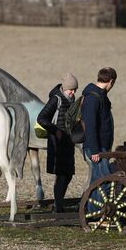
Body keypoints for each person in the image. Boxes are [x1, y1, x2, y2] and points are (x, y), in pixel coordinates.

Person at [37, 73, 78, 213]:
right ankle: (58, 206)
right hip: (57, 144)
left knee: (69, 174)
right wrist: (56, 131)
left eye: (75, 90)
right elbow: (41, 118)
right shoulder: (56, 99)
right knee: (61, 175)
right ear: (64, 88)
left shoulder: (72, 99)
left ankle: (58, 204)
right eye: (71, 89)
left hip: (68, 143)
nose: (73, 92)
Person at [81, 67, 117, 188]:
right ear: (111, 81)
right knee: (103, 180)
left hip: (101, 147)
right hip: (97, 148)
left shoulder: (100, 96)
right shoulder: (93, 98)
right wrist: (95, 150)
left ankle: (90, 206)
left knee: (97, 180)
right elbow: (90, 125)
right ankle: (96, 206)